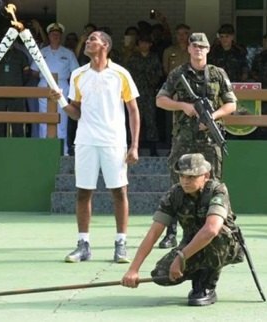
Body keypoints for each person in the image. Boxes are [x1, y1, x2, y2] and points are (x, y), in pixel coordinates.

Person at [52, 30, 140, 264]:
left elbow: (133, 110)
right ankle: (83, 244)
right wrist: (60, 100)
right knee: (83, 192)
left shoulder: (121, 74)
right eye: (88, 39)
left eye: (93, 39)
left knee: (119, 191)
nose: (88, 42)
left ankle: (121, 243)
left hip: (114, 141)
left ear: (105, 46)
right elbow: (75, 112)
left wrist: (134, 145)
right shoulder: (78, 75)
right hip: (86, 141)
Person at [121, 153, 244, 306]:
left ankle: (206, 286)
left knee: (215, 234)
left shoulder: (217, 191)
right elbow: (153, 233)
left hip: (224, 246)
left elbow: (211, 229)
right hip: (191, 245)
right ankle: (199, 272)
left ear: (206, 175)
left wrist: (181, 258)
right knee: (161, 275)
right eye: (182, 176)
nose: (185, 181)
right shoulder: (175, 194)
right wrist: (133, 269)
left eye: (191, 177)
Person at [155, 33, 237, 248]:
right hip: (184, 139)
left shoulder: (218, 74)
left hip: (209, 140)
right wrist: (184, 106)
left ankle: (214, 231)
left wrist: (213, 117)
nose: (198, 50)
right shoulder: (178, 73)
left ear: (208, 49)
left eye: (203, 46)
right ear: (189, 49)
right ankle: (171, 233)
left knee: (213, 185)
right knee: (177, 185)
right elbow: (161, 100)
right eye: (195, 46)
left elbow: (231, 104)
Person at [31, 22, 79, 154]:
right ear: (49, 36)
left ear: (61, 36)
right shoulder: (41, 52)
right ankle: (44, 149)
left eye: (58, 34)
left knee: (62, 118)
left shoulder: (68, 53)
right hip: (44, 86)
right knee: (44, 118)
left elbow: (75, 73)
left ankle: (63, 150)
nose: (55, 36)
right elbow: (33, 71)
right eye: (53, 34)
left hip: (62, 86)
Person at [127, 33, 163, 156]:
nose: (144, 45)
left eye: (147, 43)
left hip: (149, 93)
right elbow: (128, 74)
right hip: (135, 93)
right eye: (142, 42)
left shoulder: (154, 57)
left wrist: (152, 81)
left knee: (151, 120)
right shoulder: (133, 58)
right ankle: (132, 145)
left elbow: (159, 72)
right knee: (134, 119)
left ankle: (153, 148)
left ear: (150, 44)